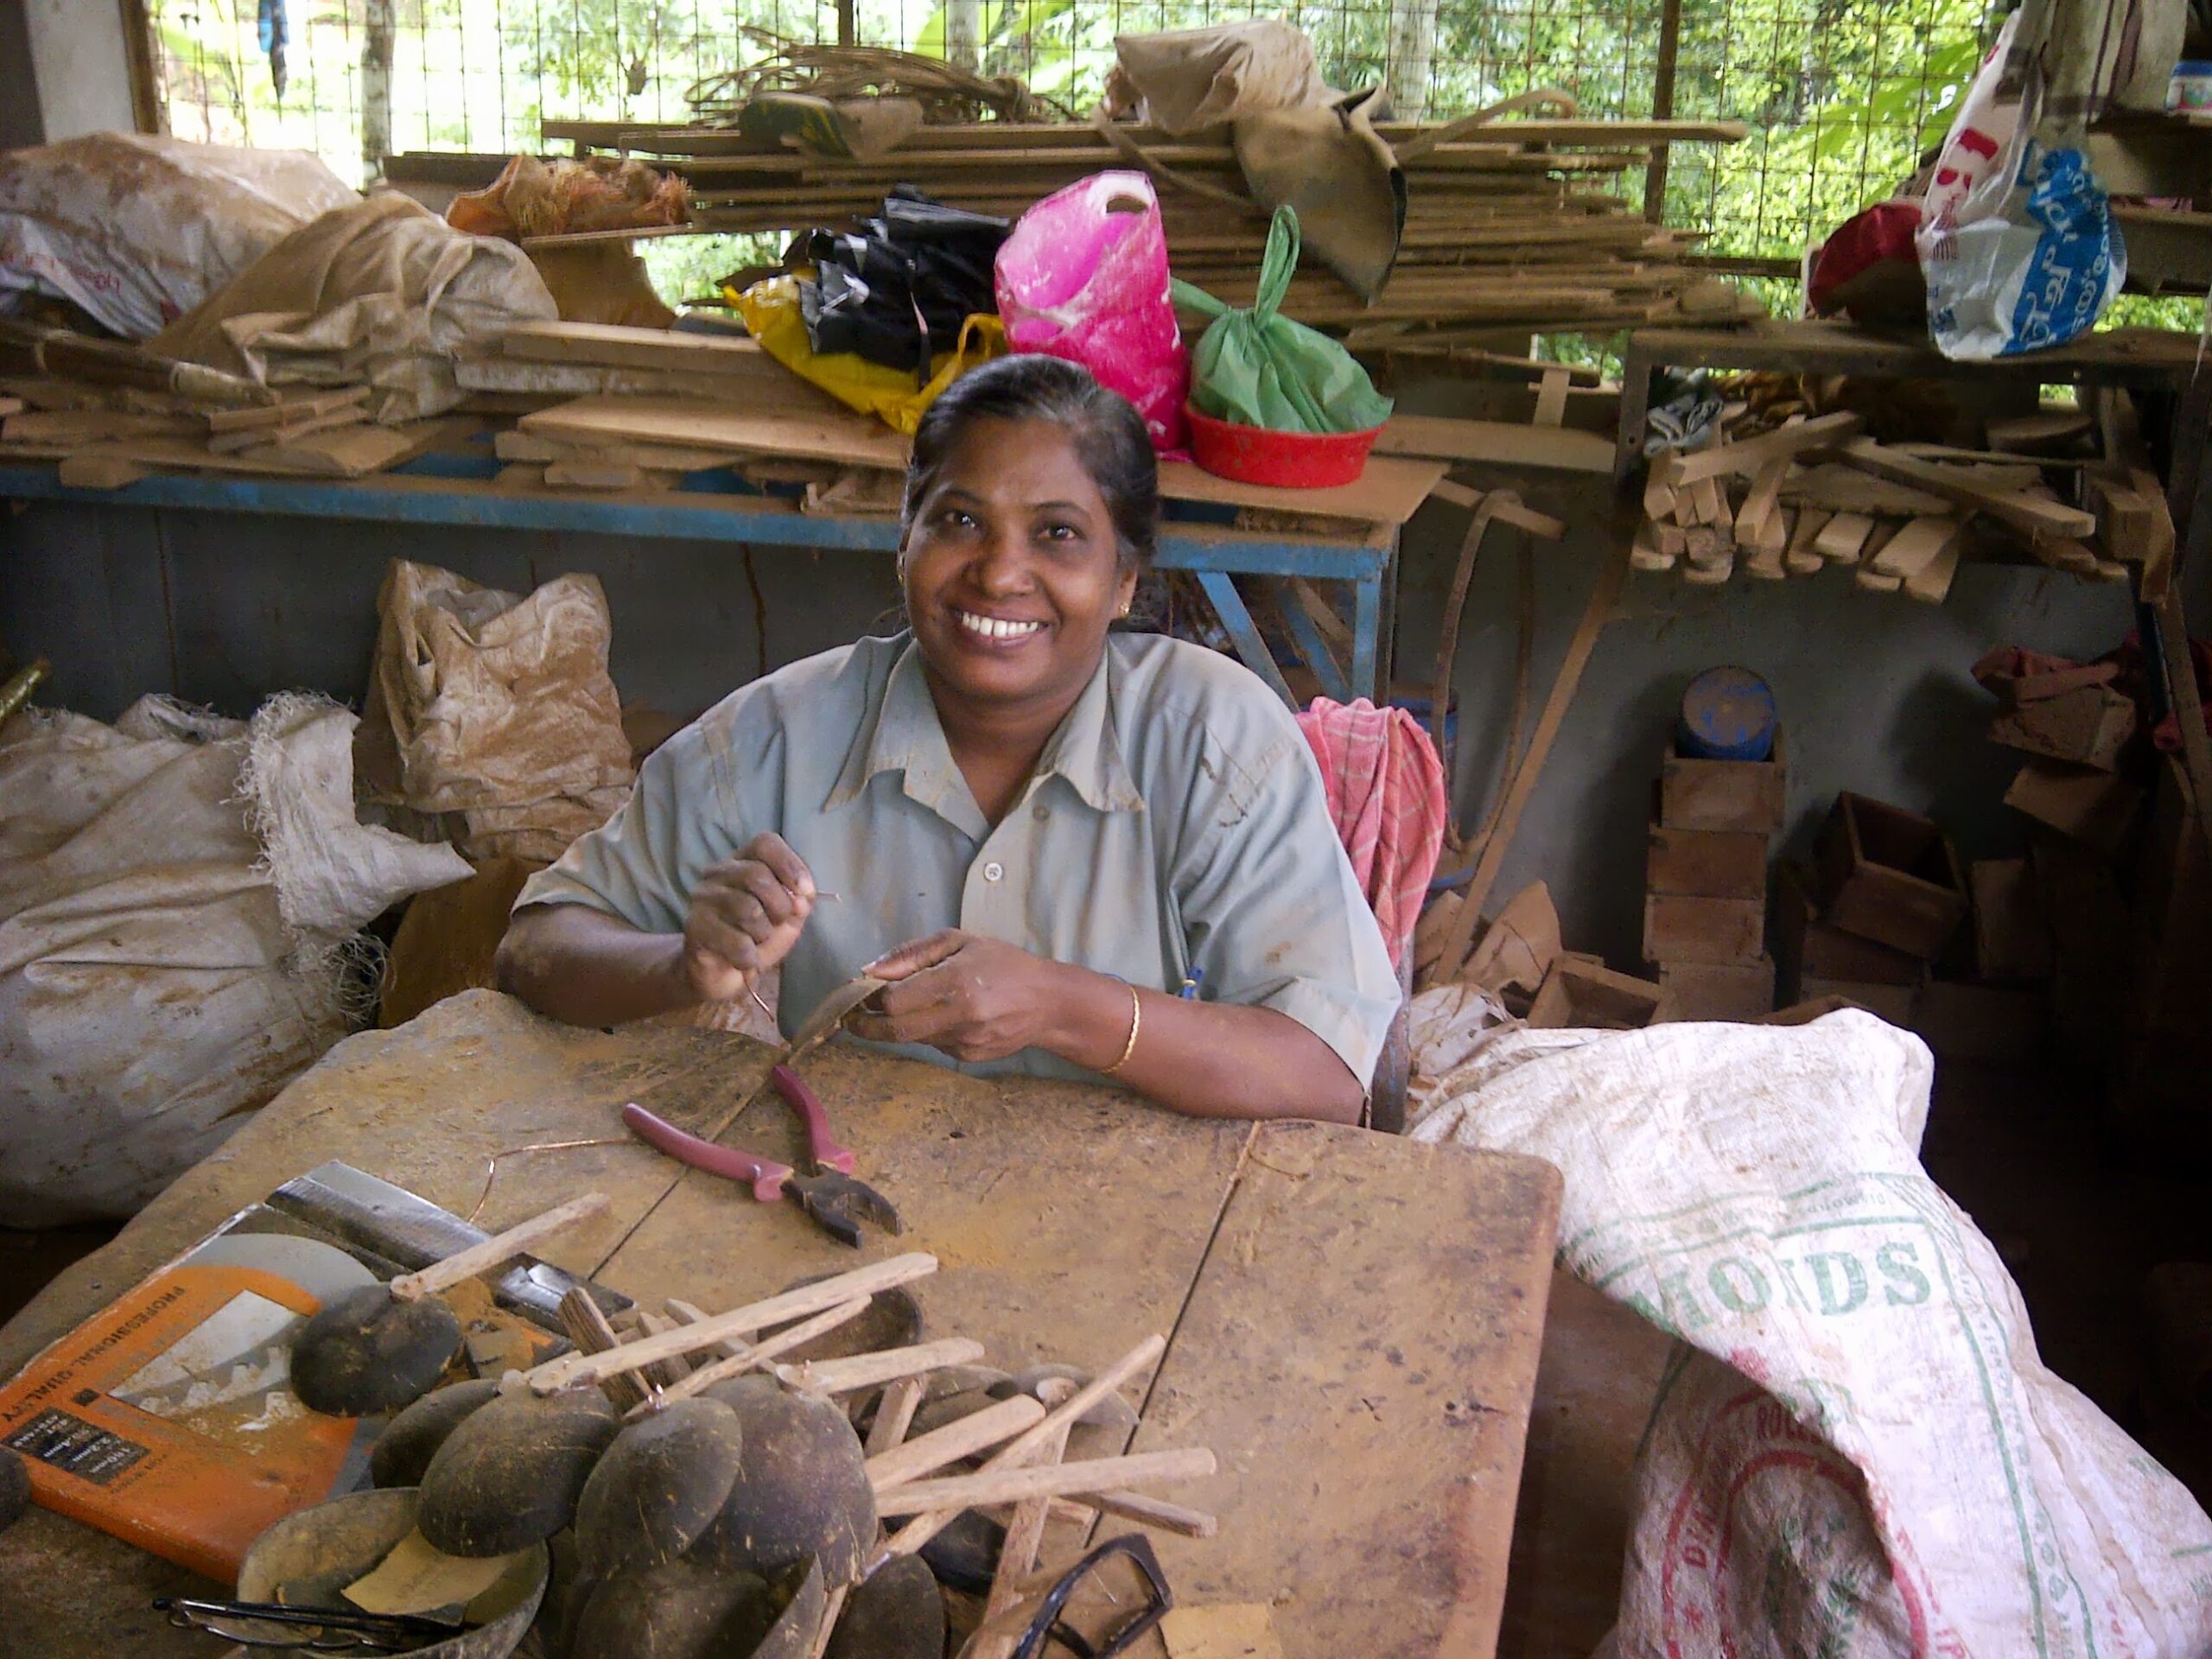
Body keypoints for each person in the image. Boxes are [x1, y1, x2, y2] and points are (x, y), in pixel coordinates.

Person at [495, 354, 1397, 1123]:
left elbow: (1326, 1073)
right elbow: (535, 948)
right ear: (903, 541)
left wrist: (1062, 1008)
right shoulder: (777, 736)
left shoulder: (1211, 741)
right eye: (959, 522)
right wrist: (681, 965)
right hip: (852, 1188)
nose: (1001, 573)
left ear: (1123, 581)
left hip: (1151, 1224)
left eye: (1058, 535)